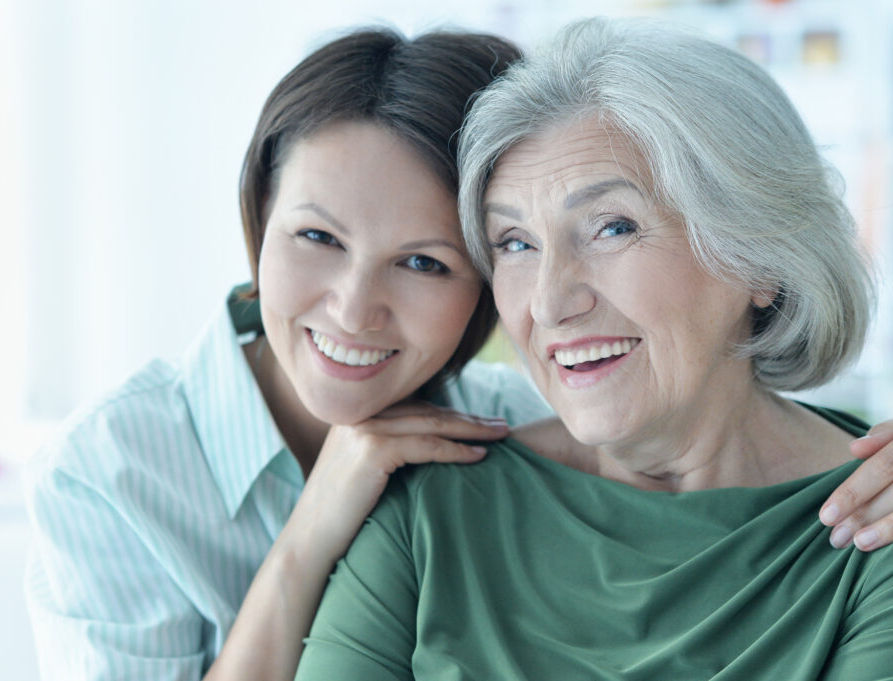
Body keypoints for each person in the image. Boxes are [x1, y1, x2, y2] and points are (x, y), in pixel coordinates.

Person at [296, 18, 893, 679]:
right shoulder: (429, 510)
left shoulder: (877, 523)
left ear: (759, 259)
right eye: (516, 242)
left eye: (612, 227)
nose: (549, 303)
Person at [24, 28, 552, 681]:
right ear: (262, 214)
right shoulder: (107, 469)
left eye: (423, 262)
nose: (355, 309)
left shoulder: (521, 429)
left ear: (486, 285)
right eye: (318, 236)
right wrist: (306, 539)